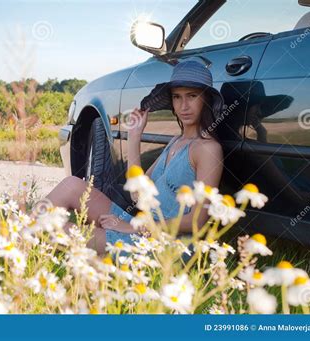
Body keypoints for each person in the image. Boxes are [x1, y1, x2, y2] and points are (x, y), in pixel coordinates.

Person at [45, 60, 224, 255]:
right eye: (177, 97)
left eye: (192, 96)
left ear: (206, 99)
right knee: (71, 185)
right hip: (140, 226)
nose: (184, 105)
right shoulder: (176, 142)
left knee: (51, 227)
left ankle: (19, 241)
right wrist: (134, 137)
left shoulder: (208, 149)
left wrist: (135, 228)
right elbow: (137, 196)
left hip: (162, 245)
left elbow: (197, 221)